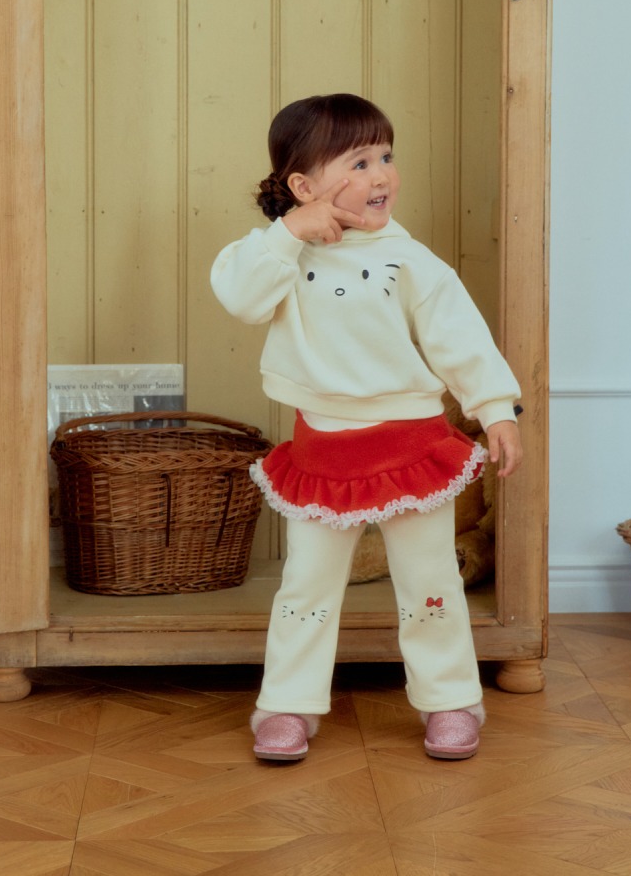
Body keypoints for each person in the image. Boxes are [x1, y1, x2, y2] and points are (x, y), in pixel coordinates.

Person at [210, 93, 522, 762]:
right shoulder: (277, 256)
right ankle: (287, 704)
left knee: (430, 584)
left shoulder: (412, 262)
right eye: (358, 163)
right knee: (306, 588)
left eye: (385, 156)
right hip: (322, 453)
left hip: (412, 448)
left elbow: (462, 341)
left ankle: (449, 700)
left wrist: (496, 409)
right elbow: (240, 297)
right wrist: (289, 233)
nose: (381, 175)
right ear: (304, 186)